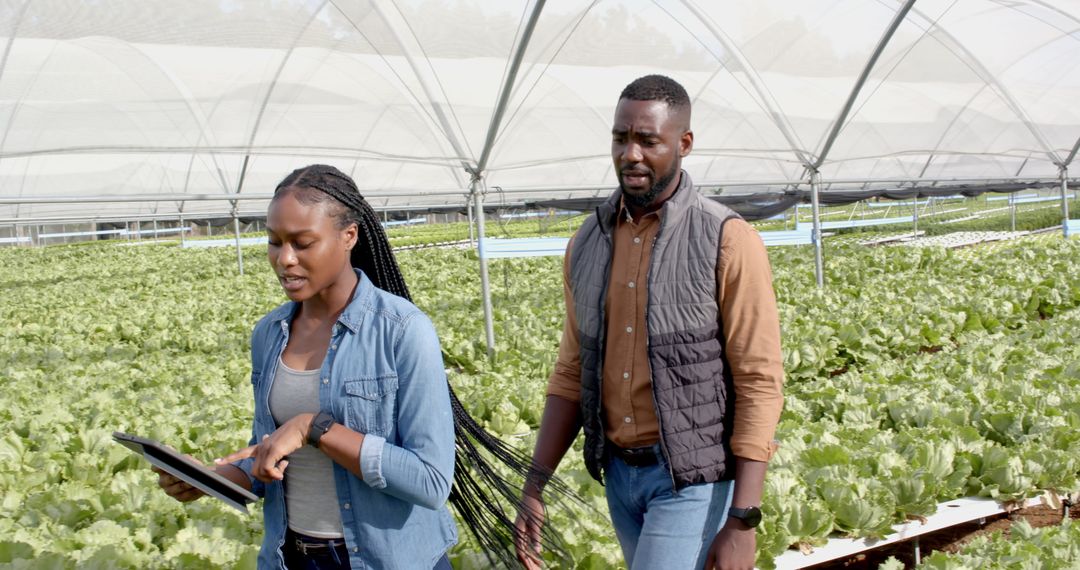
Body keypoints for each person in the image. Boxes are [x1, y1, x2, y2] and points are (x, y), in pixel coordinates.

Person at [155, 165, 564, 569]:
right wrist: (214, 479)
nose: (285, 259)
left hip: (386, 560)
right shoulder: (270, 333)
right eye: (274, 242)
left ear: (348, 236)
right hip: (290, 555)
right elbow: (269, 455)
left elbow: (431, 481)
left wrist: (314, 428)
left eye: (302, 243)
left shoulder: (402, 330)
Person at [513, 75, 784, 570]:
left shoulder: (727, 239)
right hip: (620, 476)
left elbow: (759, 380)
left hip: (692, 479)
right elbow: (572, 372)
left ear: (683, 144)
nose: (630, 153)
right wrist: (534, 485)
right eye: (621, 138)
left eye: (648, 140)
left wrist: (743, 518)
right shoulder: (587, 244)